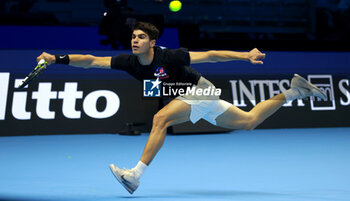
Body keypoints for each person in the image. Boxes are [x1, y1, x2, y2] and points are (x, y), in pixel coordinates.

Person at [37, 22, 327, 194]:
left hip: (199, 90)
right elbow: (90, 60)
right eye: (133, 37)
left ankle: (134, 176)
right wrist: (56, 58)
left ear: (153, 42)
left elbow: (211, 56)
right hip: (193, 95)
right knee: (249, 121)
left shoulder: (172, 57)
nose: (134, 41)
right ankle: (294, 91)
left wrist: (245, 55)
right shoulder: (128, 61)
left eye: (140, 37)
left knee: (160, 118)